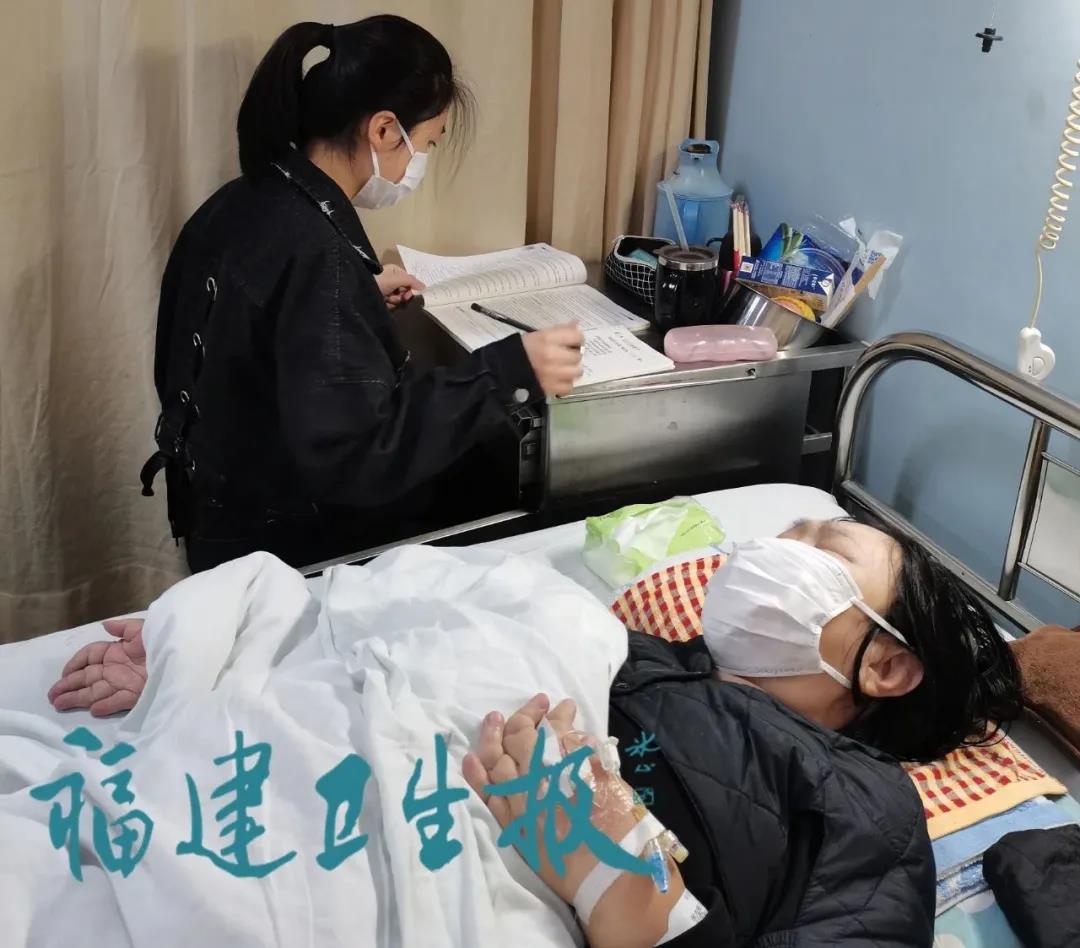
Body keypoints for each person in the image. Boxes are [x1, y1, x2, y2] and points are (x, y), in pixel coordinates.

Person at [47, 518, 1024, 945]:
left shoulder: (867, 805)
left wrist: (630, 905)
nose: (773, 550)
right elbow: (430, 622)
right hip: (332, 758)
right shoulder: (631, 645)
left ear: (888, 665)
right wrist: (229, 657)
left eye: (821, 548)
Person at [140, 15, 583, 572]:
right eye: (426, 143)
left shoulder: (239, 201)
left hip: (217, 521)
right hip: (282, 553)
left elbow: (242, 343)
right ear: (384, 130)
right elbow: (359, 457)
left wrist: (355, 298)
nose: (420, 162)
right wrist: (509, 370)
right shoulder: (318, 253)